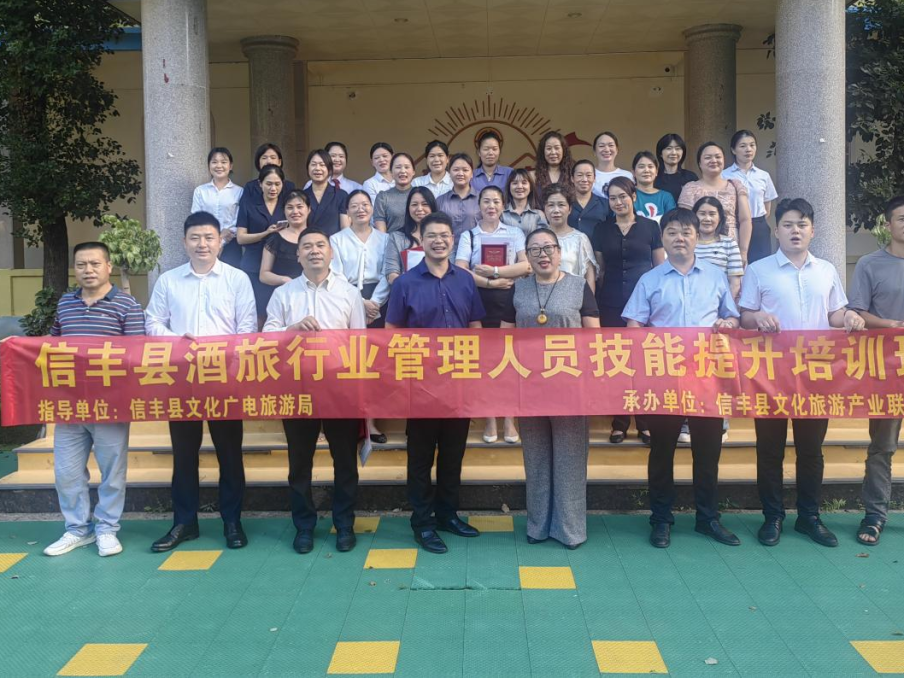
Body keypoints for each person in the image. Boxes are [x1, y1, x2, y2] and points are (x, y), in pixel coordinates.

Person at [739, 198, 865, 548]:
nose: (795, 231)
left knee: (811, 449)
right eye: (788, 224)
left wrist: (849, 317)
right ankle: (772, 516)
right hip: (770, 374)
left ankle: (809, 517)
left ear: (813, 230)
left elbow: (834, 313)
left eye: (802, 224)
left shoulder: (825, 270)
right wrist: (757, 318)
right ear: (776, 230)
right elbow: (745, 316)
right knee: (770, 449)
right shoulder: (759, 270)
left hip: (815, 373)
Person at [623, 208, 741, 549]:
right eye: (672, 232)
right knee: (662, 451)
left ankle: (708, 518)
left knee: (708, 452)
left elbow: (732, 317)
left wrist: (727, 324)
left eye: (686, 232)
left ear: (697, 237)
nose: (679, 238)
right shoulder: (650, 280)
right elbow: (634, 325)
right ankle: (661, 519)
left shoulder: (715, 276)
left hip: (707, 379)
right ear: (663, 238)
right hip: (664, 379)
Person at [146, 211, 257, 552]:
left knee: (229, 454)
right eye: (195, 238)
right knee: (183, 454)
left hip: (224, 379)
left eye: (209, 237)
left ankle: (232, 521)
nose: (202, 244)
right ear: (184, 242)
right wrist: (178, 340)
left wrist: (227, 359)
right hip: (181, 379)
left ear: (220, 242)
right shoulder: (169, 281)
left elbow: (247, 327)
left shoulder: (237, 279)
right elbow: (152, 323)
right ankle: (184, 522)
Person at [385, 212, 486, 554]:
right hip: (421, 386)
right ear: (422, 241)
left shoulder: (465, 280)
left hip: (458, 384)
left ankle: (448, 514)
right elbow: (392, 334)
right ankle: (423, 522)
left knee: (453, 454)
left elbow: (475, 327)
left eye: (444, 235)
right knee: (420, 457)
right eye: (432, 236)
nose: (439, 241)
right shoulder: (405, 283)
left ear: (452, 240)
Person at [262, 228, 367, 554]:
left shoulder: (349, 293)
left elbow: (361, 342)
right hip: (297, 388)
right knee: (299, 462)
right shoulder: (284, 294)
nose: (314, 250)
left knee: (345, 461)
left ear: (331, 253)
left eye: (321, 245)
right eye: (306, 246)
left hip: (340, 389)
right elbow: (266, 338)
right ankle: (304, 526)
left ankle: (344, 524)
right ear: (298, 255)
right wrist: (292, 329)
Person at [42, 242, 145, 558]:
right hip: (70, 404)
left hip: (111, 404)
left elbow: (137, 354)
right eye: (81, 265)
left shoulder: (127, 305)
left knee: (112, 472)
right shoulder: (66, 303)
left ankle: (107, 529)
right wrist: (16, 345)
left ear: (108, 267)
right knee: (67, 473)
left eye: (95, 264)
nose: (88, 270)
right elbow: (51, 345)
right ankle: (77, 529)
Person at [500, 229, 600, 549]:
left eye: (548, 248)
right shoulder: (518, 289)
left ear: (559, 252)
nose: (543, 255)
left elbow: (594, 338)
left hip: (570, 386)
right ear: (527, 257)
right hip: (528, 386)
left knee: (570, 458)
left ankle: (570, 530)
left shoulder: (579, 286)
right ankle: (538, 525)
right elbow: (504, 337)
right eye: (535, 250)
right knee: (536, 457)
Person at [847, 195, 904, 546]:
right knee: (882, 446)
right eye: (901, 218)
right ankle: (875, 514)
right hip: (887, 370)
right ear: (888, 224)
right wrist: (891, 325)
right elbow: (857, 312)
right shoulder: (870, 264)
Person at [593, 176, 665, 445]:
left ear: (634, 197)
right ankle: (619, 423)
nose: (618, 202)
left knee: (644, 363)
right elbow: (600, 270)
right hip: (611, 302)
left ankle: (645, 423)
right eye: (612, 198)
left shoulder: (651, 227)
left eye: (623, 196)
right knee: (618, 363)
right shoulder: (601, 229)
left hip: (644, 304)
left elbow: (659, 268)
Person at [455, 186, 529, 445]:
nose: (491, 206)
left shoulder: (515, 232)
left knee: (510, 362)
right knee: (485, 363)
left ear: (502, 205)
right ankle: (489, 417)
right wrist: (490, 283)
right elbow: (461, 270)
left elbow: (526, 265)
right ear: (479, 206)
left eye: (496, 201)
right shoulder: (469, 235)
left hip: (509, 301)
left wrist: (496, 272)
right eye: (486, 201)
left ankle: (509, 418)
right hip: (479, 302)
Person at [330, 189, 391, 444]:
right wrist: (359, 302)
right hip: (346, 300)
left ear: (372, 209)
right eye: (354, 205)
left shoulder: (385, 239)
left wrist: (374, 303)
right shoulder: (336, 239)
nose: (360, 209)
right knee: (348, 363)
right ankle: (347, 420)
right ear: (347, 211)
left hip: (379, 302)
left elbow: (388, 272)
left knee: (374, 365)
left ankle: (371, 422)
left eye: (365, 204)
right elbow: (336, 274)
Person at [678, 141, 753, 265]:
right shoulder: (690, 188)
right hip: (698, 250)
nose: (714, 160)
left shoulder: (735, 185)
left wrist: (743, 252)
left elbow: (745, 220)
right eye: (708, 157)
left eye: (718, 157)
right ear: (700, 163)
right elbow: (684, 222)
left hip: (730, 250)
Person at [236, 164, 288, 322]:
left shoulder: (287, 205)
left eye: (277, 184)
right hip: (254, 265)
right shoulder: (248, 204)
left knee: (282, 315)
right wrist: (265, 233)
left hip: (281, 265)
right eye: (269, 184)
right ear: (260, 184)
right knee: (257, 314)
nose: (273, 188)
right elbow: (240, 238)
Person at [723, 130, 778, 263]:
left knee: (761, 265)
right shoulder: (724, 175)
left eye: (752, 145)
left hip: (759, 226)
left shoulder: (763, 175)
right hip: (734, 226)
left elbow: (767, 208)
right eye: (743, 146)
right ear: (733, 150)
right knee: (736, 264)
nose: (748, 149)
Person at [192, 146, 243, 268]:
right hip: (204, 244)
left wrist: (222, 240)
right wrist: (215, 238)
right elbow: (196, 219)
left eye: (223, 162)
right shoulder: (200, 191)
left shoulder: (240, 191)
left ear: (230, 166)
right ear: (209, 166)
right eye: (214, 162)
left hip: (231, 245)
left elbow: (240, 221)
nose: (219, 166)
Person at [541, 183, 598, 293]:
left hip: (572, 298)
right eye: (551, 205)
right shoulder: (536, 238)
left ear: (570, 209)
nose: (556, 210)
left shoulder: (580, 239)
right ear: (544, 209)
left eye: (561, 205)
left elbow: (589, 277)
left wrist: (589, 302)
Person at [384, 187, 437, 286]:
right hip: (407, 291)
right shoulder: (397, 237)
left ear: (432, 207)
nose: (419, 209)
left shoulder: (442, 236)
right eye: (414, 204)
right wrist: (410, 288)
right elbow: (391, 273)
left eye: (425, 204)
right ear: (408, 208)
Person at [259, 189, 308, 287]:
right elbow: (264, 275)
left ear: (309, 209)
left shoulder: (317, 237)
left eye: (299, 207)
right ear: (284, 211)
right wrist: (284, 280)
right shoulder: (275, 239)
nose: (295, 211)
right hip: (283, 291)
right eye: (290, 207)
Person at [303, 149, 350, 237]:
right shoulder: (301, 197)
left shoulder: (341, 195)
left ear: (330, 169)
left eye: (322, 165)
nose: (317, 168)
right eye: (313, 164)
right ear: (308, 168)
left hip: (333, 244)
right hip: (308, 243)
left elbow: (345, 228)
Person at [437, 153, 480, 247]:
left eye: (465, 170)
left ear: (472, 174)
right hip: (448, 251)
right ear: (449, 173)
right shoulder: (440, 201)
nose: (460, 173)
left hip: (475, 249)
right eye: (456, 170)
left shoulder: (482, 199)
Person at [568, 159, 610, 243]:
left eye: (588, 175)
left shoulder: (606, 204)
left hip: (597, 250)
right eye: (579, 175)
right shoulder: (565, 203)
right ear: (572, 178)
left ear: (594, 178)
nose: (584, 179)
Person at [374, 152, 415, 233]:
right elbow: (381, 233)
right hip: (391, 240)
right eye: (398, 167)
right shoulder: (383, 197)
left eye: (407, 167)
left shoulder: (421, 195)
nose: (402, 171)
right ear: (391, 172)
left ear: (413, 171)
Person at [633, 151, 677, 223]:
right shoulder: (627, 195)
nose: (646, 170)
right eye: (641, 167)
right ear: (633, 172)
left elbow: (671, 223)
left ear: (656, 172)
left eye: (650, 166)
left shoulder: (666, 197)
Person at [501, 168, 547, 236]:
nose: (519, 186)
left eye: (524, 183)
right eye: (515, 183)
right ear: (509, 187)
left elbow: (544, 238)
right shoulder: (501, 213)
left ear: (530, 187)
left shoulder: (539, 214)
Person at [654, 133, 698, 203]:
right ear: (660, 153)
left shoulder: (690, 177)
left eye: (678, 149)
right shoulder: (653, 177)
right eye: (669, 148)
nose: (674, 152)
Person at [533, 130, 574, 198]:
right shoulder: (533, 176)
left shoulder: (573, 174)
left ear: (564, 150)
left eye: (557, 148)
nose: (553, 152)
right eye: (549, 148)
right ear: (543, 152)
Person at [591, 131, 634, 197]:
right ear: (594, 151)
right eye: (601, 146)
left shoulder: (627, 176)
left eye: (611, 145)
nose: (607, 149)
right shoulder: (588, 176)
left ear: (617, 150)